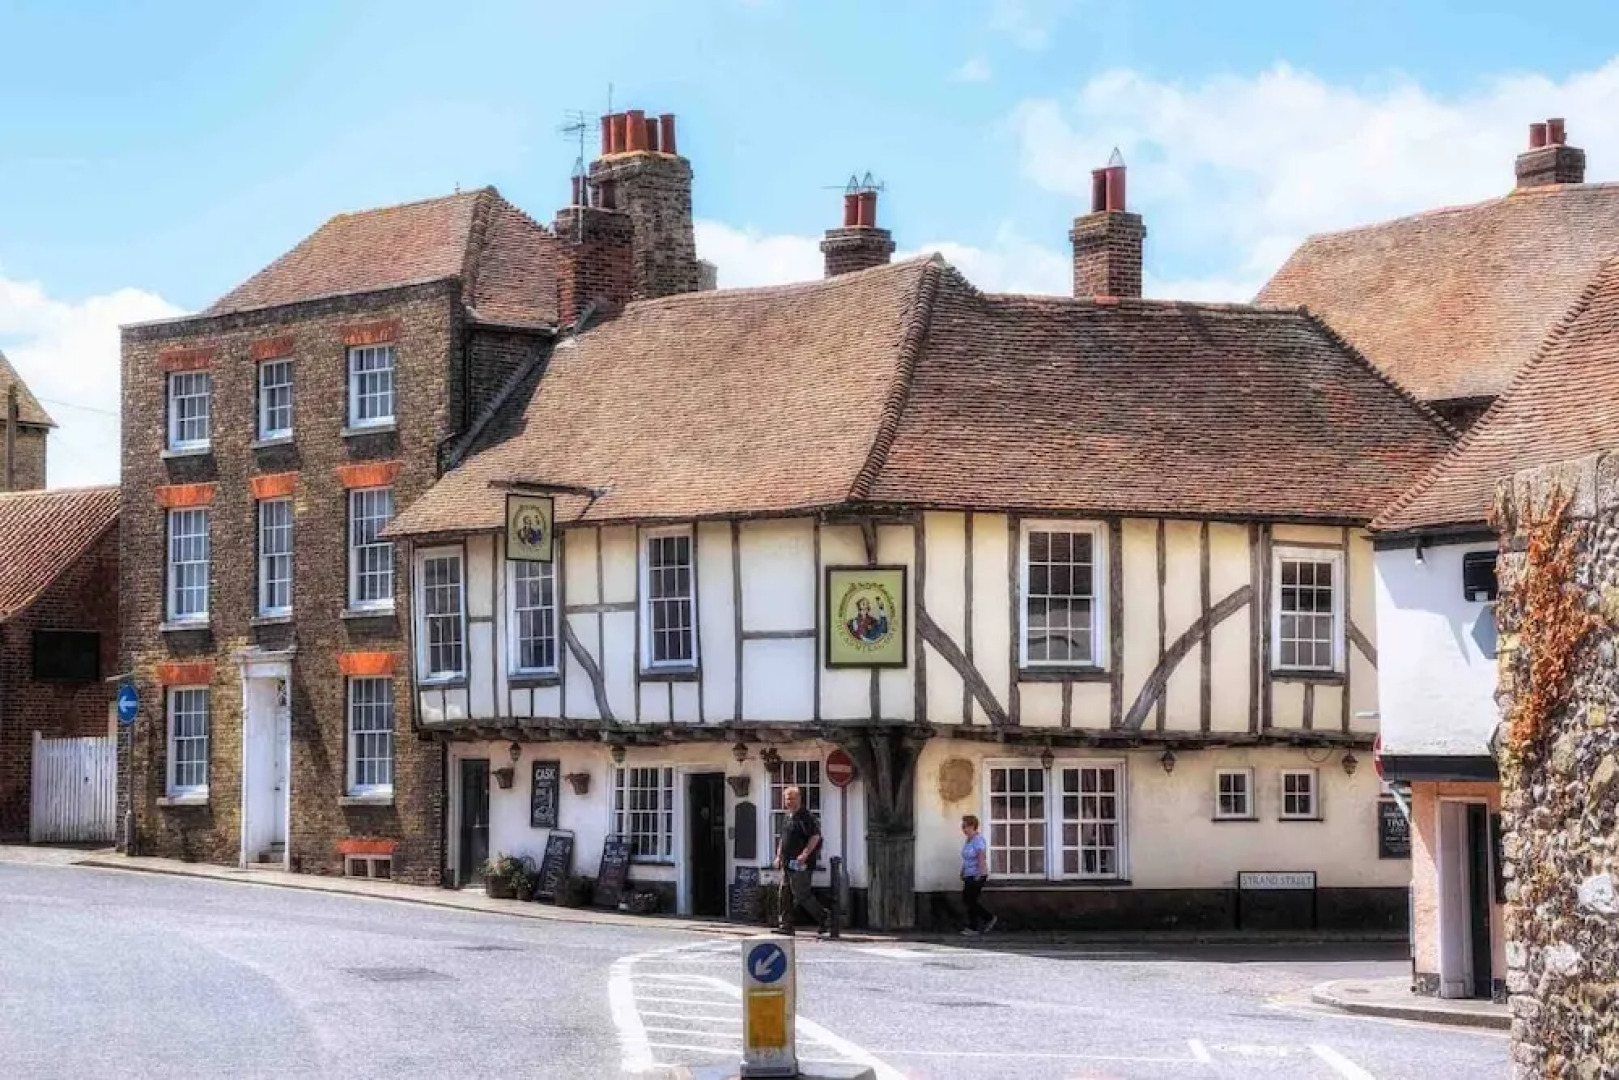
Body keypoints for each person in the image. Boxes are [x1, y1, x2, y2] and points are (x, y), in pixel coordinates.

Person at [775, 785, 829, 936]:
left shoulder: (806, 817)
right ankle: (785, 925)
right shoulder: (787, 816)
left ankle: (823, 917)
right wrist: (779, 856)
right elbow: (783, 838)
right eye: (787, 799)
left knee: (801, 894)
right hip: (787, 863)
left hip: (801, 864)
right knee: (784, 893)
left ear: (799, 799)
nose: (789, 802)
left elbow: (815, 836)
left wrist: (805, 853)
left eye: (792, 799)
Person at [960, 814, 997, 936]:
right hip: (968, 874)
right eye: (962, 826)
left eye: (965, 826)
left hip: (977, 874)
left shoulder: (978, 840)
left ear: (972, 826)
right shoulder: (968, 840)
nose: (963, 829)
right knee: (968, 900)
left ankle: (978, 925)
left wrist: (979, 873)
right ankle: (984, 920)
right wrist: (962, 871)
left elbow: (981, 857)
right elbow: (966, 858)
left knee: (970, 900)